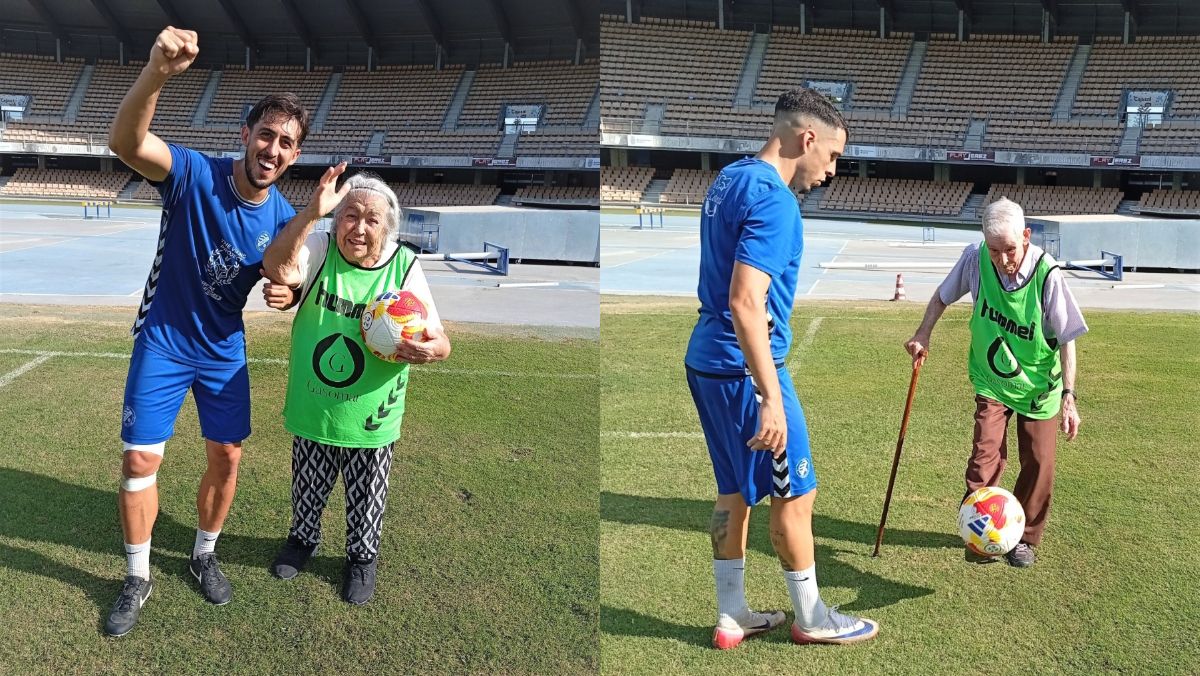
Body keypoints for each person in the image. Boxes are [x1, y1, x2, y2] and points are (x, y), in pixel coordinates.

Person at [104, 26, 308, 637]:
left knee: (227, 455)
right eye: (266, 134)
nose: (273, 148)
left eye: (287, 142)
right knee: (140, 458)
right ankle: (137, 575)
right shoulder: (194, 173)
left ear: (294, 156)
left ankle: (203, 554)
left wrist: (290, 292)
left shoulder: (283, 217)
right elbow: (126, 143)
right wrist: (157, 72)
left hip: (222, 351)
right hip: (164, 340)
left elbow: (285, 274)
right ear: (245, 135)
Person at [684, 88, 878, 649]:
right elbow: (746, 300)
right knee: (795, 493)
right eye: (833, 156)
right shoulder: (777, 202)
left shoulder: (730, 178)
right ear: (807, 138)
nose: (832, 170)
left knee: (732, 491)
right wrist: (770, 395)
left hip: (707, 360)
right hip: (748, 368)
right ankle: (812, 617)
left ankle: (732, 615)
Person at [259, 170, 451, 604]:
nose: (359, 228)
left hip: (371, 417)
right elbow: (278, 269)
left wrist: (433, 350)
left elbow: (440, 338)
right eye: (350, 215)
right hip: (315, 405)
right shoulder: (321, 247)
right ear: (336, 218)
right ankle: (302, 540)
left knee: (367, 497)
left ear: (388, 228)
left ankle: (362, 558)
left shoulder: (404, 265)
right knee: (307, 485)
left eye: (372, 220)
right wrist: (311, 216)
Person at [905, 197, 1085, 568]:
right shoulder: (975, 259)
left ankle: (1025, 539)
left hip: (1038, 386)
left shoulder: (1047, 274)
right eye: (994, 250)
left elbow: (1068, 338)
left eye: (1010, 249)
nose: (1002, 259)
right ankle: (981, 533)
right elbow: (942, 297)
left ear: (1026, 236)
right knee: (983, 459)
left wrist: (1069, 397)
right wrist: (924, 332)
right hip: (992, 379)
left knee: (1039, 462)